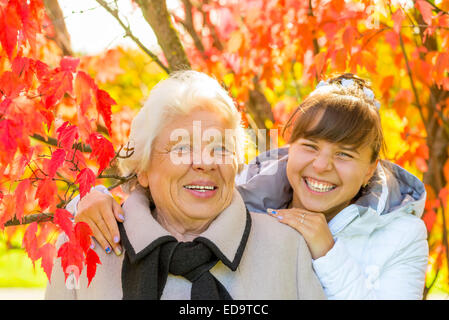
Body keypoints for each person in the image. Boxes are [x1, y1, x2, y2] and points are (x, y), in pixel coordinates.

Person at [69, 73, 429, 299]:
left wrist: (327, 251)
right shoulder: (247, 198)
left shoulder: (402, 234)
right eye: (310, 147)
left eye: (346, 154)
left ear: (371, 170)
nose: (322, 165)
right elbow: (172, 189)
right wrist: (91, 199)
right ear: (290, 149)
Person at [45, 70, 325, 300]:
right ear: (142, 168)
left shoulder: (288, 248)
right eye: (182, 148)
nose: (205, 162)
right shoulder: (85, 248)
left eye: (220, 147)